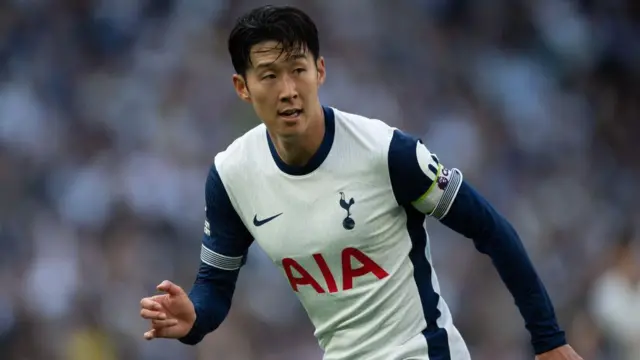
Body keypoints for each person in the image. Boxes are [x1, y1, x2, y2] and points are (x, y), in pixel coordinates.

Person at [139, 5, 582, 360]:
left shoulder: (388, 153)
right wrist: (193, 317)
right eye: (270, 75)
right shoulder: (231, 175)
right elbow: (215, 286)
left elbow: (489, 229)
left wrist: (548, 340)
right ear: (242, 86)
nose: (288, 89)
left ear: (321, 71)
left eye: (298, 69)